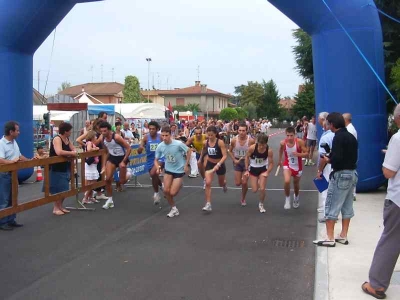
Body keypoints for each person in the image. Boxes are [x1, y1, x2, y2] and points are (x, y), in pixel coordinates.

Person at [361, 104, 400, 299]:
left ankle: (376, 285)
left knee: (391, 241)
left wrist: (388, 158)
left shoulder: (398, 138)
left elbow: (389, 171)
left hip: (398, 200)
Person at [313, 112, 358, 247]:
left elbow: (336, 158)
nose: (327, 125)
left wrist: (328, 159)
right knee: (347, 206)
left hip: (340, 174)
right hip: (352, 173)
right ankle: (343, 235)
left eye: (328, 123)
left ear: (332, 124)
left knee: (331, 204)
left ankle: (330, 237)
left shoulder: (337, 138)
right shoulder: (351, 136)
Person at [154, 126, 191, 218]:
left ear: (170, 135)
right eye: (163, 135)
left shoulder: (178, 144)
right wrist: (158, 167)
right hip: (168, 169)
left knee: (172, 193)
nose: (164, 137)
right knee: (166, 191)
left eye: (166, 135)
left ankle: (179, 184)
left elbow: (189, 151)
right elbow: (156, 159)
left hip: (179, 169)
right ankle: (174, 209)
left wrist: (186, 164)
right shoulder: (160, 146)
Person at [0, 121, 30, 230]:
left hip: (13, 173)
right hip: (4, 174)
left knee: (13, 197)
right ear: (11, 131)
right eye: (17, 130)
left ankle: (11, 219)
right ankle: (3, 222)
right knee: (4, 198)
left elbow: (19, 155)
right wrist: (12, 162)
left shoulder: (14, 142)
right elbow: (1, 159)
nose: (19, 132)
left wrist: (29, 161)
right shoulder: (1, 143)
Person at [98, 121, 131, 209]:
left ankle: (128, 173)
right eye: (101, 131)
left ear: (109, 130)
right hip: (112, 158)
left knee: (121, 181)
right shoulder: (103, 139)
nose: (103, 133)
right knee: (108, 179)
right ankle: (110, 200)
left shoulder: (116, 137)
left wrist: (123, 161)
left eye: (105, 131)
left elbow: (128, 148)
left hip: (122, 158)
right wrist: (104, 165)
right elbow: (106, 152)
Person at [48, 122, 79, 216]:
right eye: (70, 131)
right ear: (65, 131)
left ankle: (60, 206)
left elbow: (73, 148)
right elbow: (58, 151)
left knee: (64, 188)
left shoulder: (67, 139)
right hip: (56, 167)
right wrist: (71, 153)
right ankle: (56, 207)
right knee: (58, 188)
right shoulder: (57, 139)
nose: (71, 132)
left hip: (65, 166)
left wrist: (73, 152)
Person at [278, 126, 308, 209]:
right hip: (287, 164)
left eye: (291, 135)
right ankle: (287, 199)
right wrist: (280, 160)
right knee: (287, 181)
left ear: (294, 135)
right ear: (285, 135)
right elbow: (280, 150)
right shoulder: (283, 143)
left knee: (296, 185)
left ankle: (296, 197)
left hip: (297, 166)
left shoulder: (299, 142)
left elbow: (306, 153)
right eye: (287, 136)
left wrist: (299, 154)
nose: (289, 137)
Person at [244, 134, 273, 213]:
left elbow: (271, 163)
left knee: (262, 188)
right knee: (254, 190)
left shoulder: (269, 150)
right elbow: (246, 157)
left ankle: (261, 204)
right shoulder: (252, 148)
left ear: (266, 143)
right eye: (260, 145)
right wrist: (246, 170)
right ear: (257, 143)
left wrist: (267, 172)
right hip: (253, 169)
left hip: (263, 169)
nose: (261, 147)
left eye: (263, 145)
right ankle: (258, 181)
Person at [202, 125, 228, 212]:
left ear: (215, 134)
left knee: (220, 183)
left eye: (211, 135)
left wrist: (218, 164)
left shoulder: (220, 142)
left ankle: (224, 184)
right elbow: (204, 151)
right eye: (208, 135)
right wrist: (201, 159)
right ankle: (208, 204)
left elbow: (225, 156)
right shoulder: (205, 142)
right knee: (208, 183)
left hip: (219, 164)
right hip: (210, 164)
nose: (210, 137)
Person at [229, 122, 255, 206]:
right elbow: (229, 151)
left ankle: (243, 198)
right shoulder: (234, 140)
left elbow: (255, 152)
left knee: (244, 182)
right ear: (237, 131)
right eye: (240, 130)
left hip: (247, 162)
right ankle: (243, 188)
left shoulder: (251, 141)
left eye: (243, 130)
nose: (241, 132)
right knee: (237, 183)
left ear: (246, 131)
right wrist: (234, 160)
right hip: (237, 162)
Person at [138, 121, 164, 205]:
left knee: (153, 173)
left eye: (153, 129)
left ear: (157, 129)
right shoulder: (146, 137)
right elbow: (139, 149)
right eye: (150, 129)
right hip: (150, 160)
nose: (151, 130)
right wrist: (140, 148)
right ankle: (161, 185)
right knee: (154, 176)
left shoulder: (161, 137)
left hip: (160, 159)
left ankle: (156, 194)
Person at [315, 112, 335, 222]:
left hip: (327, 165)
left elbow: (323, 157)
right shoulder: (335, 135)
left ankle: (326, 214)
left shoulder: (326, 137)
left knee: (325, 190)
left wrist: (319, 170)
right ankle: (331, 212)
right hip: (336, 165)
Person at [82, 130, 100, 204]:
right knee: (92, 181)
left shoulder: (92, 143)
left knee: (92, 181)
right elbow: (89, 149)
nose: (96, 137)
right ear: (92, 137)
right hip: (90, 164)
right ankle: (86, 197)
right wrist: (95, 149)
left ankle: (90, 196)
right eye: (95, 136)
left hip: (93, 164)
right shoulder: (89, 143)